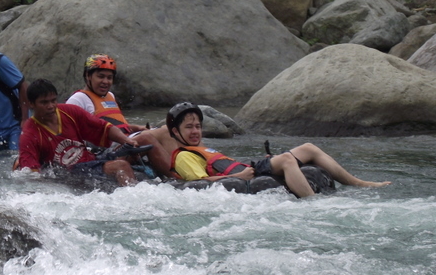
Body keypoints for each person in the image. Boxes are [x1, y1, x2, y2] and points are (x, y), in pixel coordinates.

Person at [166, 101, 391, 198]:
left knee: (308, 148)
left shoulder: (203, 149)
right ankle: (315, 203)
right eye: (189, 127)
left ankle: (360, 183)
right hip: (243, 178)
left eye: (197, 126)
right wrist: (239, 176)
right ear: (175, 132)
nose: (195, 131)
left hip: (249, 171)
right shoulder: (184, 156)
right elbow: (200, 184)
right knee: (286, 160)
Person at [18, 79, 175, 187]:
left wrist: (125, 141)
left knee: (146, 138)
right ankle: (137, 204)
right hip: (71, 173)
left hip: (91, 160)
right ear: (31, 104)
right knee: (120, 166)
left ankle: (178, 180)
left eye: (53, 100)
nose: (51, 106)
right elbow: (30, 174)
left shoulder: (68, 111)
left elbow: (104, 127)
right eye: (44, 103)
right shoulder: (29, 134)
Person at [66, 54, 179, 158]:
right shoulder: (78, 99)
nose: (105, 81)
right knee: (163, 133)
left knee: (169, 129)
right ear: (88, 76)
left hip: (126, 138)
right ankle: (176, 171)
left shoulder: (110, 95)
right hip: (111, 147)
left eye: (109, 78)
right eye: (100, 76)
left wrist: (136, 127)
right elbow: (66, 134)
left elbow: (116, 125)